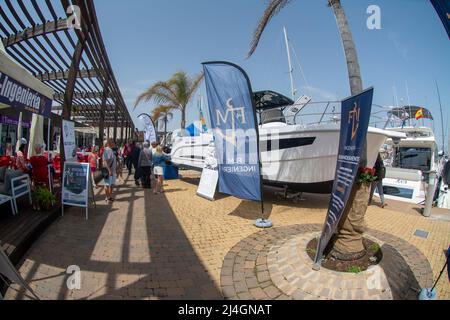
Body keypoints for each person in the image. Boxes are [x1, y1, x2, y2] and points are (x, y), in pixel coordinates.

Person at [102, 138, 117, 203]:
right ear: (110, 143)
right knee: (107, 184)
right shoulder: (108, 150)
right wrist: (109, 170)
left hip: (112, 171)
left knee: (111, 184)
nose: (114, 143)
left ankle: (109, 197)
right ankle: (107, 197)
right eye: (113, 142)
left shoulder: (110, 150)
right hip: (109, 171)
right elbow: (105, 161)